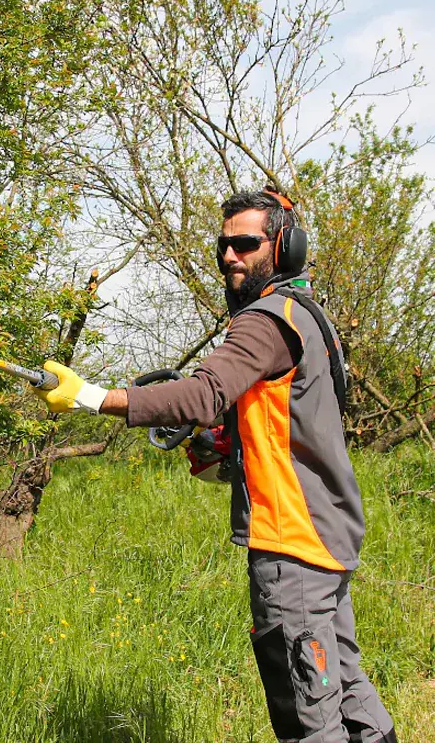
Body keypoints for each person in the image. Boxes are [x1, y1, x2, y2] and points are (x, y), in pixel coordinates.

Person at [33, 189, 397, 743]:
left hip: (292, 542)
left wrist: (92, 397)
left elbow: (203, 394)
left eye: (245, 243)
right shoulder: (307, 316)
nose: (230, 255)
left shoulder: (265, 321)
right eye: (223, 245)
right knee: (344, 684)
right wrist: (229, 445)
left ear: (284, 247)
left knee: (308, 714)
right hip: (329, 533)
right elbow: (290, 420)